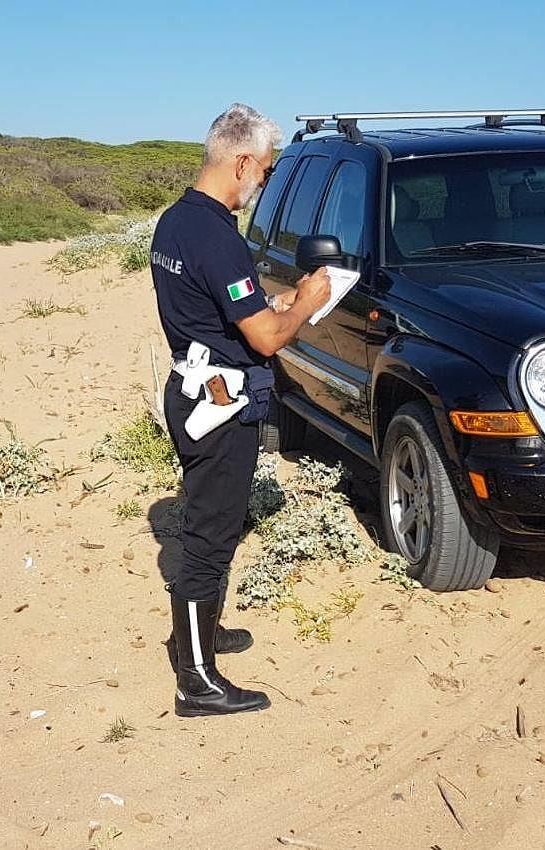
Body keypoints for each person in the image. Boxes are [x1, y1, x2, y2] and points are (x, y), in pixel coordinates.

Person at [150, 103, 331, 717]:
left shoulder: (176, 222)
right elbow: (267, 339)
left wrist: (271, 301)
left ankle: (200, 635)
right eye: (266, 170)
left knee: (213, 524)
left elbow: (221, 308)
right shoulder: (216, 235)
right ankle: (196, 680)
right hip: (220, 401)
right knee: (208, 535)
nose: (264, 182)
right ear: (242, 160)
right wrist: (306, 301)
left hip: (191, 386)